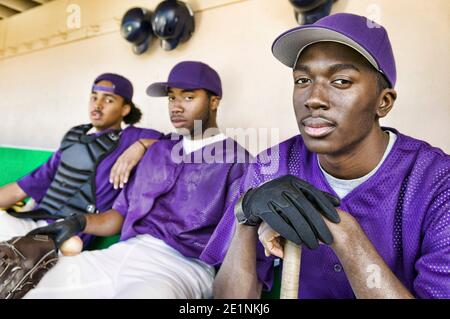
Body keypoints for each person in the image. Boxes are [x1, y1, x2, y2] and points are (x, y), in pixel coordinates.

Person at [203, 13, 450, 299]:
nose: (313, 98)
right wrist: (246, 215)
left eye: (342, 81)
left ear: (383, 102)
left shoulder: (437, 182)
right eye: (303, 79)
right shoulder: (271, 166)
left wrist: (345, 235)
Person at [23, 61, 250, 299]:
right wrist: (77, 222)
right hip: (123, 252)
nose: (176, 106)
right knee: (39, 284)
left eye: (188, 97)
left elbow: (240, 243)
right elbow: (118, 217)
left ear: (214, 102)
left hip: (182, 267)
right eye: (172, 98)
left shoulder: (238, 161)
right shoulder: (157, 152)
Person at [0, 73, 163, 246]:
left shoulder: (133, 137)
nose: (97, 105)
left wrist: (142, 145)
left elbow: (188, 143)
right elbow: (22, 188)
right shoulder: (74, 137)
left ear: (125, 109)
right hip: (32, 220)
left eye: (108, 100)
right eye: (94, 98)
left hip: (67, 236)